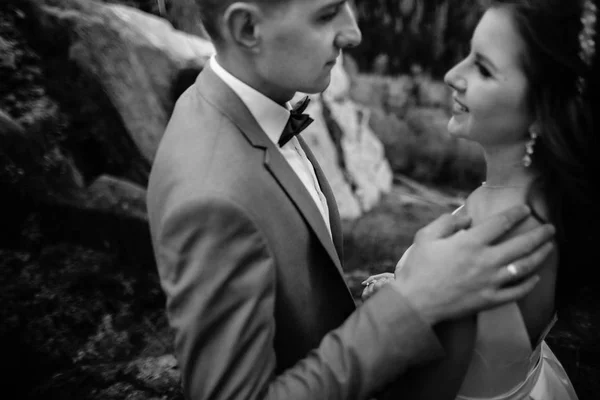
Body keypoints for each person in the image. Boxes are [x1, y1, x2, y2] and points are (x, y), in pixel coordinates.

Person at [146, 0, 557, 398]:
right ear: (248, 30)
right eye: (327, 12)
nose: (354, 32)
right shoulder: (212, 198)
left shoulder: (255, 109)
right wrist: (410, 304)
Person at [363, 0, 596, 398]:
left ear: (543, 107)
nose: (453, 75)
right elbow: (493, 336)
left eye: (484, 68)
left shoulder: (494, 238)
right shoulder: (542, 198)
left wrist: (399, 312)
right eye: (468, 55)